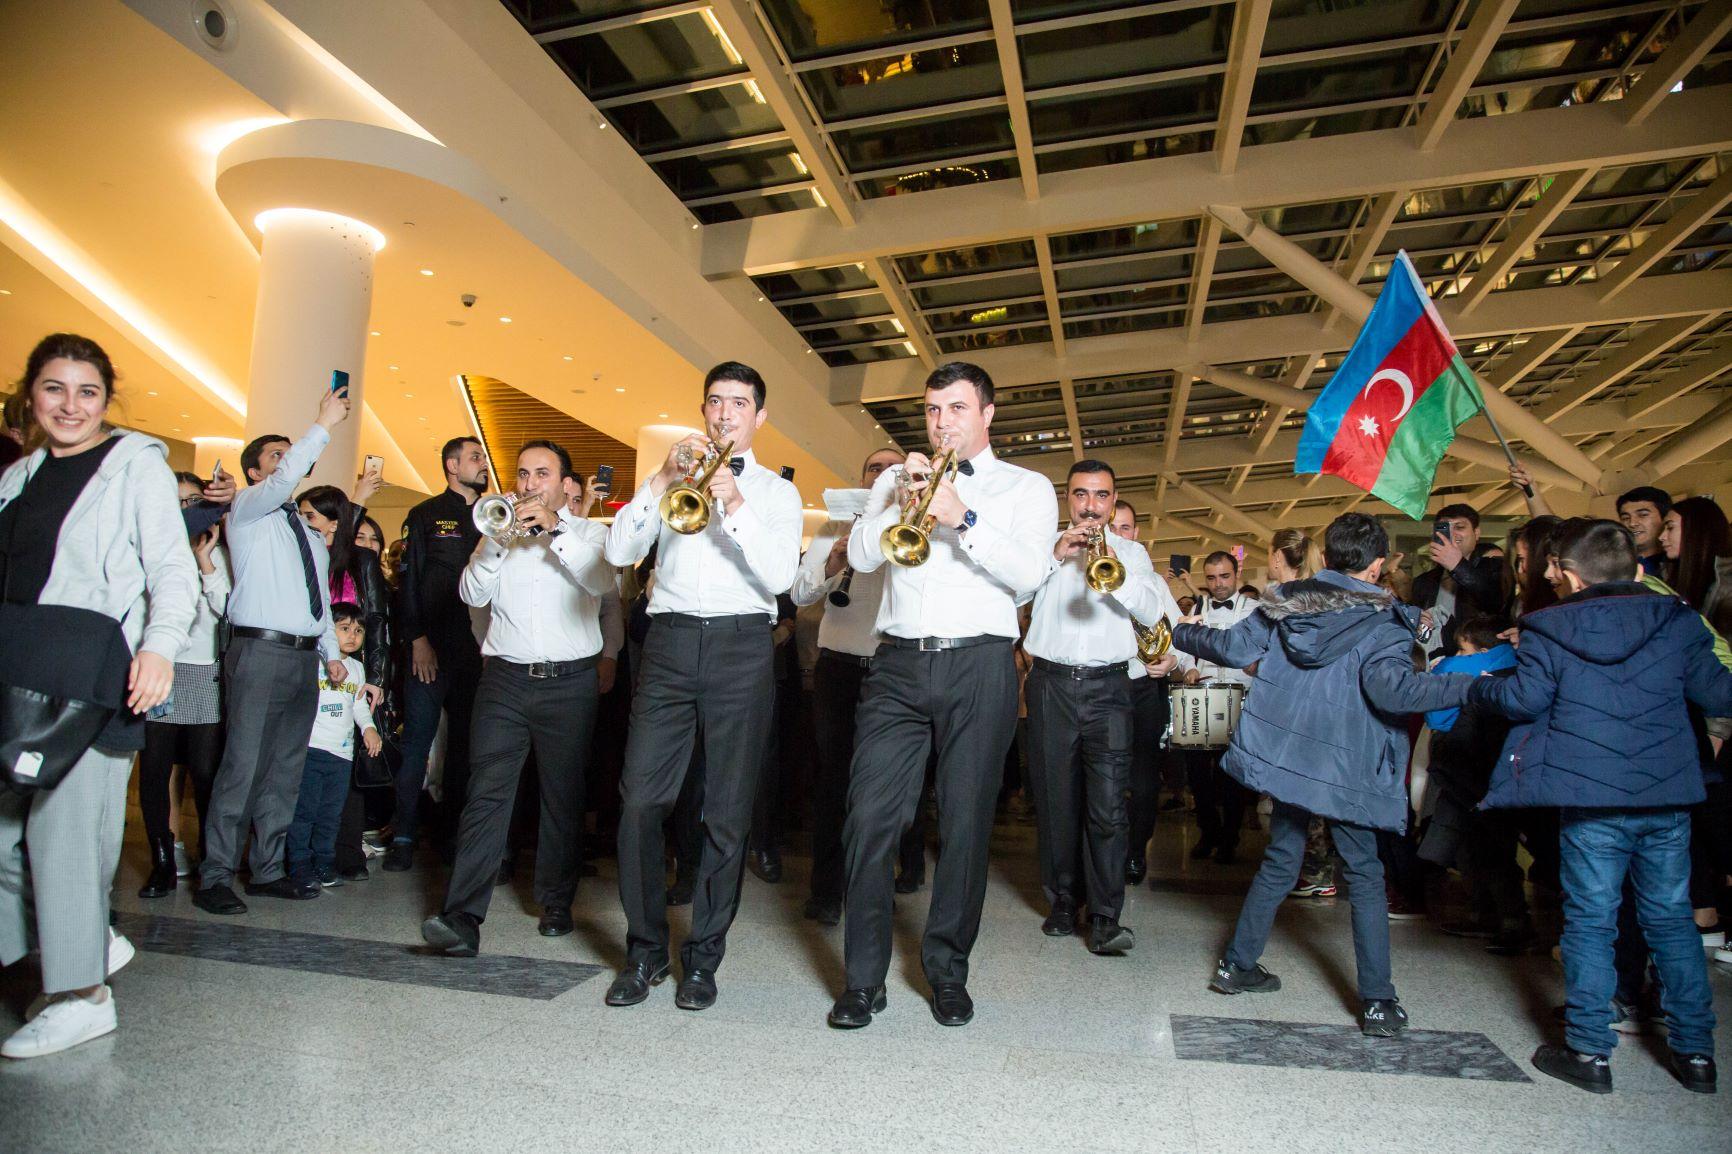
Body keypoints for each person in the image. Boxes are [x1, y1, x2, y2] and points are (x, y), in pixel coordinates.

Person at [1176, 513, 1475, 1038]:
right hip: (1346, 764)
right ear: (1377, 565)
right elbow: (1393, 692)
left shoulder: (1284, 602)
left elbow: (1233, 649)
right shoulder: (1385, 619)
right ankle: (1377, 1001)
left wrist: (1176, 628)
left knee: (1281, 858)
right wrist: (1473, 684)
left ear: (1330, 556)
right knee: (1364, 874)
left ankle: (1236, 965)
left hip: (1293, 756)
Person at [828, 361, 1057, 1030]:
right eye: (932, 410)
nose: (941, 422)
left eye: (956, 408)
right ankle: (863, 980)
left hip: (980, 664)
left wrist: (963, 516)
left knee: (964, 825)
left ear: (987, 414)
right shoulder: (899, 479)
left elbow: (1029, 575)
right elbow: (862, 557)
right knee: (868, 819)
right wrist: (897, 501)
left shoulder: (1026, 487)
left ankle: (948, 971)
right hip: (897, 663)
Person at [1470, 519, 1732, 1094]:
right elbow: (1718, 693)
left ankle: (1589, 1052)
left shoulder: (1548, 627)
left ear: (1569, 574)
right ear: (1634, 568)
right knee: (1671, 920)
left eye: (1552, 567)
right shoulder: (1678, 619)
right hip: (1666, 794)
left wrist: (1480, 684)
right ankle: (1697, 1055)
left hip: (1590, 797)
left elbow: (1525, 699)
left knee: (1591, 919)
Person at [0, 333, 197, 1059]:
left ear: (107, 400)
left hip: (89, 670)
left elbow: (171, 566)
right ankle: (83, 937)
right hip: (19, 665)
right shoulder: (19, 476)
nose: (70, 405)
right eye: (54, 388)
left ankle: (82, 995)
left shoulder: (133, 465)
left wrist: (160, 646)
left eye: (87, 392)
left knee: (66, 835)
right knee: (7, 837)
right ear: (31, 395)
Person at [601, 363, 802, 1010]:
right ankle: (644, 950)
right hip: (668, 641)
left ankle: (703, 958)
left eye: (738, 403)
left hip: (742, 645)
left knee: (726, 810)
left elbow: (780, 576)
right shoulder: (673, 479)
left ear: (758, 417)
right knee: (639, 800)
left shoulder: (776, 493)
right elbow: (617, 553)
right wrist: (661, 481)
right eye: (715, 401)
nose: (724, 413)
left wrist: (733, 502)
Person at [420, 442, 615, 955]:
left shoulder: (591, 533)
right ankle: (462, 917)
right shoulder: (496, 532)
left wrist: (555, 530)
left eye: (542, 474)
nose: (529, 483)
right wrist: (495, 542)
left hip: (570, 682)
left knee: (562, 793)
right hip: (504, 681)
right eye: (523, 473)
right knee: (485, 792)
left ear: (565, 485)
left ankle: (556, 900)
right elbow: (472, 595)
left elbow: (600, 581)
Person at [194, 388, 353, 915]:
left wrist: (330, 651)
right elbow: (285, 480)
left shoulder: (304, 531)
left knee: (286, 769)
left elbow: (319, 601)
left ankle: (266, 870)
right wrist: (322, 423)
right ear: (254, 471)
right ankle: (215, 875)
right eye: (276, 455)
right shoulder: (246, 509)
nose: (286, 463)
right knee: (241, 765)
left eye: (289, 453)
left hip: (303, 657)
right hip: (258, 652)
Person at [1024, 460, 1179, 954]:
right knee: (1056, 802)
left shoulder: (1132, 553)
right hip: (1050, 684)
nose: (1091, 505)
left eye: (1101, 496)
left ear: (1113, 502)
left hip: (1111, 689)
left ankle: (1106, 916)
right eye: (1081, 494)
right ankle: (1063, 902)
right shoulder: (1041, 546)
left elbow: (1153, 612)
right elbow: (1014, 593)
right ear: (1067, 498)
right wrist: (1054, 556)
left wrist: (1115, 570)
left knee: (1109, 807)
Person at [789, 447, 903, 926]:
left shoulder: (911, 524)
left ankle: (873, 886)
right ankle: (825, 890)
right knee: (833, 782)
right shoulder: (832, 526)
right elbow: (800, 592)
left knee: (881, 788)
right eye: (874, 467)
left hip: (891, 670)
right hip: (837, 667)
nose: (882, 474)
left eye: (892, 469)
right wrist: (834, 562)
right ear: (862, 478)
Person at [388, 437, 489, 871]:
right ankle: (403, 836)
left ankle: (451, 838)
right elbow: (408, 583)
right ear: (451, 465)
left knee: (465, 748)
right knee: (417, 744)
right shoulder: (425, 514)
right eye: (474, 457)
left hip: (477, 652)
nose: (482, 464)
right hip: (430, 649)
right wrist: (417, 640)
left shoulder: (495, 517)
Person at [136, 472, 234, 898]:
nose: (184, 509)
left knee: (205, 772)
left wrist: (205, 560)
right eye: (176, 501)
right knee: (155, 771)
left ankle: (209, 859)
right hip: (160, 669)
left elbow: (227, 608)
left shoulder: (221, 551)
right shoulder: (149, 548)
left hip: (203, 670)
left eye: (193, 500)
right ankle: (161, 860)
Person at [1420, 616, 1529, 954]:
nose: (1458, 657)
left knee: (1490, 848)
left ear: (1483, 651)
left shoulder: (1491, 672)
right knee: (1477, 845)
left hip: (1478, 769)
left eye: (1463, 651)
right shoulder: (1516, 670)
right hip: (1484, 769)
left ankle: (1512, 922)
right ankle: (1487, 915)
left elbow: (1437, 703)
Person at [285, 603, 381, 887]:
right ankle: (299, 863)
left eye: (359, 630)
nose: (353, 635)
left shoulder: (357, 669)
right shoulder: (315, 662)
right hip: (311, 749)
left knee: (331, 814)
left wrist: (369, 729)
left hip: (341, 755)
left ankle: (324, 863)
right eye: (345, 628)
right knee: (305, 812)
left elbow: (359, 706)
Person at [1172, 550, 1256, 865]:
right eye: (1211, 578)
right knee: (1197, 774)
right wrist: (1188, 668)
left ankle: (1230, 838)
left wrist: (1256, 664)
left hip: (1242, 697)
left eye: (1224, 576)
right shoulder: (1197, 608)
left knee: (1231, 774)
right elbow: (1182, 650)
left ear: (1236, 574)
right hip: (1201, 697)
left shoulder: (1255, 610)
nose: (1218, 584)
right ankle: (1208, 832)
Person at [1115, 498, 1173, 886]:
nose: (1119, 535)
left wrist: (1171, 659)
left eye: (1125, 528)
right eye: (1113, 528)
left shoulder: (1154, 580)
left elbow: (1175, 630)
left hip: (1142, 685)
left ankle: (1136, 851)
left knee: (1144, 777)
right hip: (1103, 684)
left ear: (1136, 534)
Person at [1411, 502, 1505, 656]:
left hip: (1478, 659)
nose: (1452, 534)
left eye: (1459, 527)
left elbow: (1493, 599)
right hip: (1434, 661)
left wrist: (1457, 565)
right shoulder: (1424, 582)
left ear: (1476, 533)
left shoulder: (1492, 567)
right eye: (1444, 529)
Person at [1617, 485, 1672, 577]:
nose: (1632, 523)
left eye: (1643, 515)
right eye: (1626, 518)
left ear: (1665, 518)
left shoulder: (1678, 564)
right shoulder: (1613, 565)